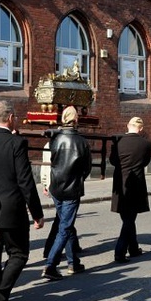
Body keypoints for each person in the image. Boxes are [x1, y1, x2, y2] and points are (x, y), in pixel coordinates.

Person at [0, 100, 44, 301]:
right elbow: (25, 181)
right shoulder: (16, 143)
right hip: (11, 210)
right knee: (19, 254)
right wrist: (37, 212)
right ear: (9, 118)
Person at [42, 106, 91, 281]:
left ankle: (73, 262)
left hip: (56, 187)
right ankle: (51, 264)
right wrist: (78, 179)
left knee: (66, 224)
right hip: (72, 189)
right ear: (76, 120)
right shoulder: (82, 141)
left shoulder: (55, 138)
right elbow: (87, 168)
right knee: (65, 227)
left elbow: (52, 160)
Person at [111, 117, 151, 263]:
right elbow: (146, 162)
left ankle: (133, 248)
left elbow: (112, 161)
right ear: (141, 128)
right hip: (136, 183)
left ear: (128, 126)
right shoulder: (146, 144)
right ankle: (120, 251)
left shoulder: (118, 142)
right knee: (129, 219)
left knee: (127, 217)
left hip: (120, 183)